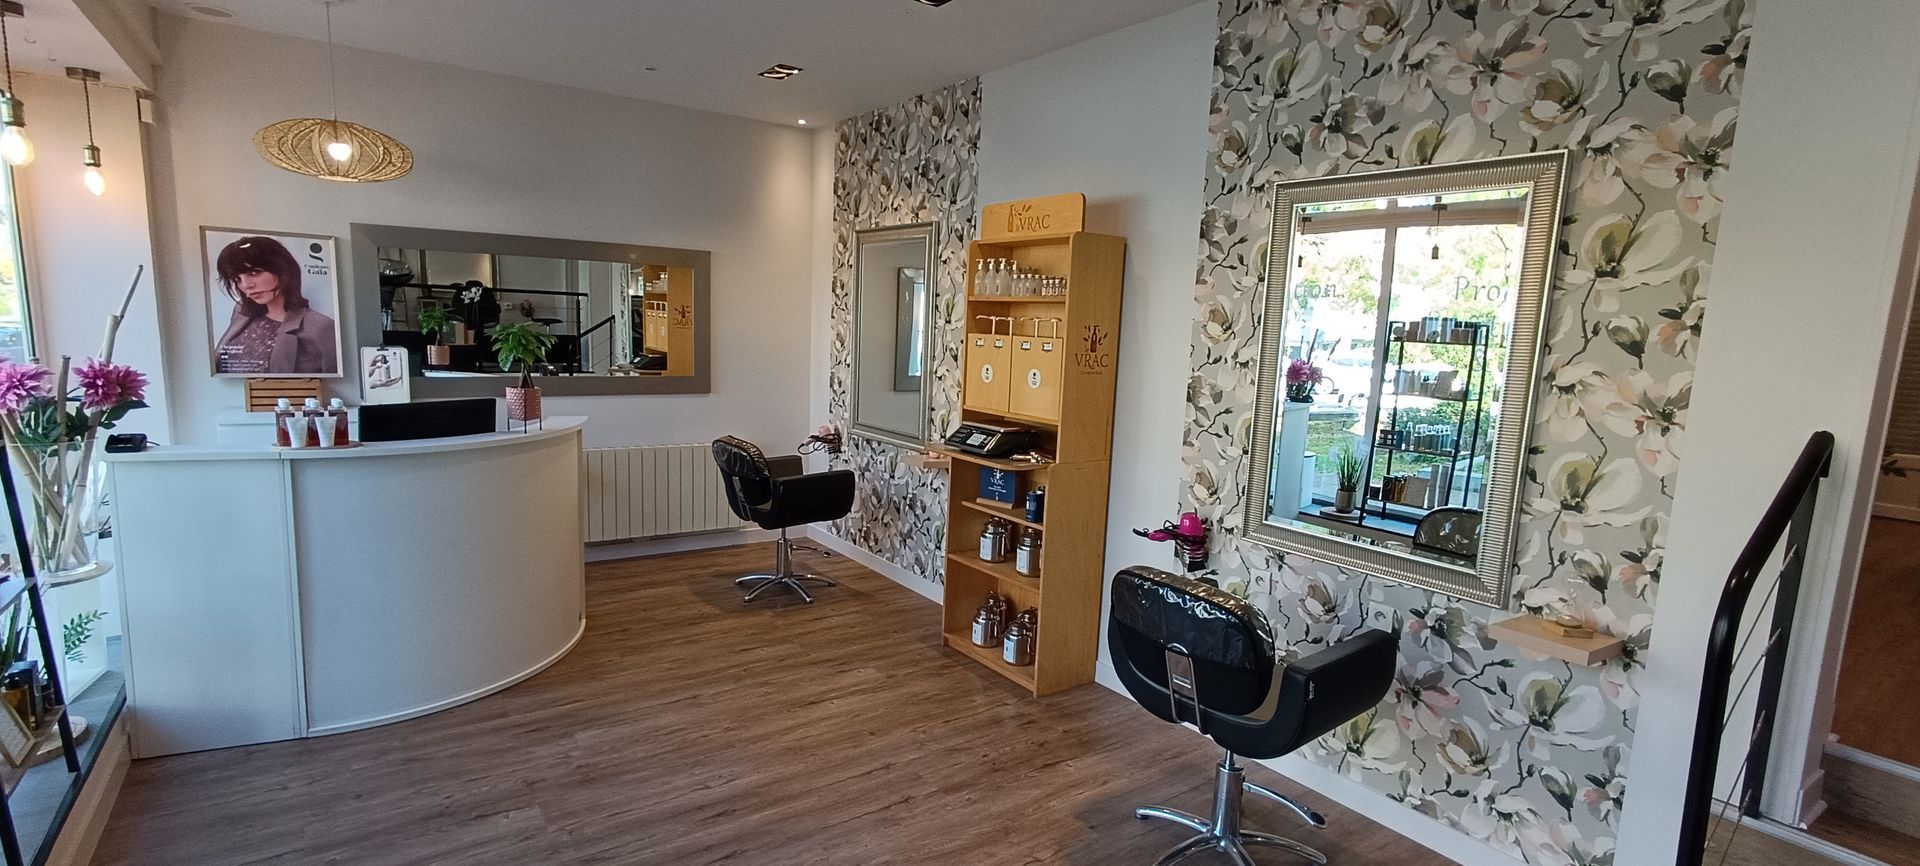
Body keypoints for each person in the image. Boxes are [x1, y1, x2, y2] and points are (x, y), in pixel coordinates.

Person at [213, 236, 338, 375]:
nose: (246, 285)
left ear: (282, 270)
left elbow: (336, 384)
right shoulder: (242, 311)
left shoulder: (320, 327)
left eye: (254, 273)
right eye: (237, 279)